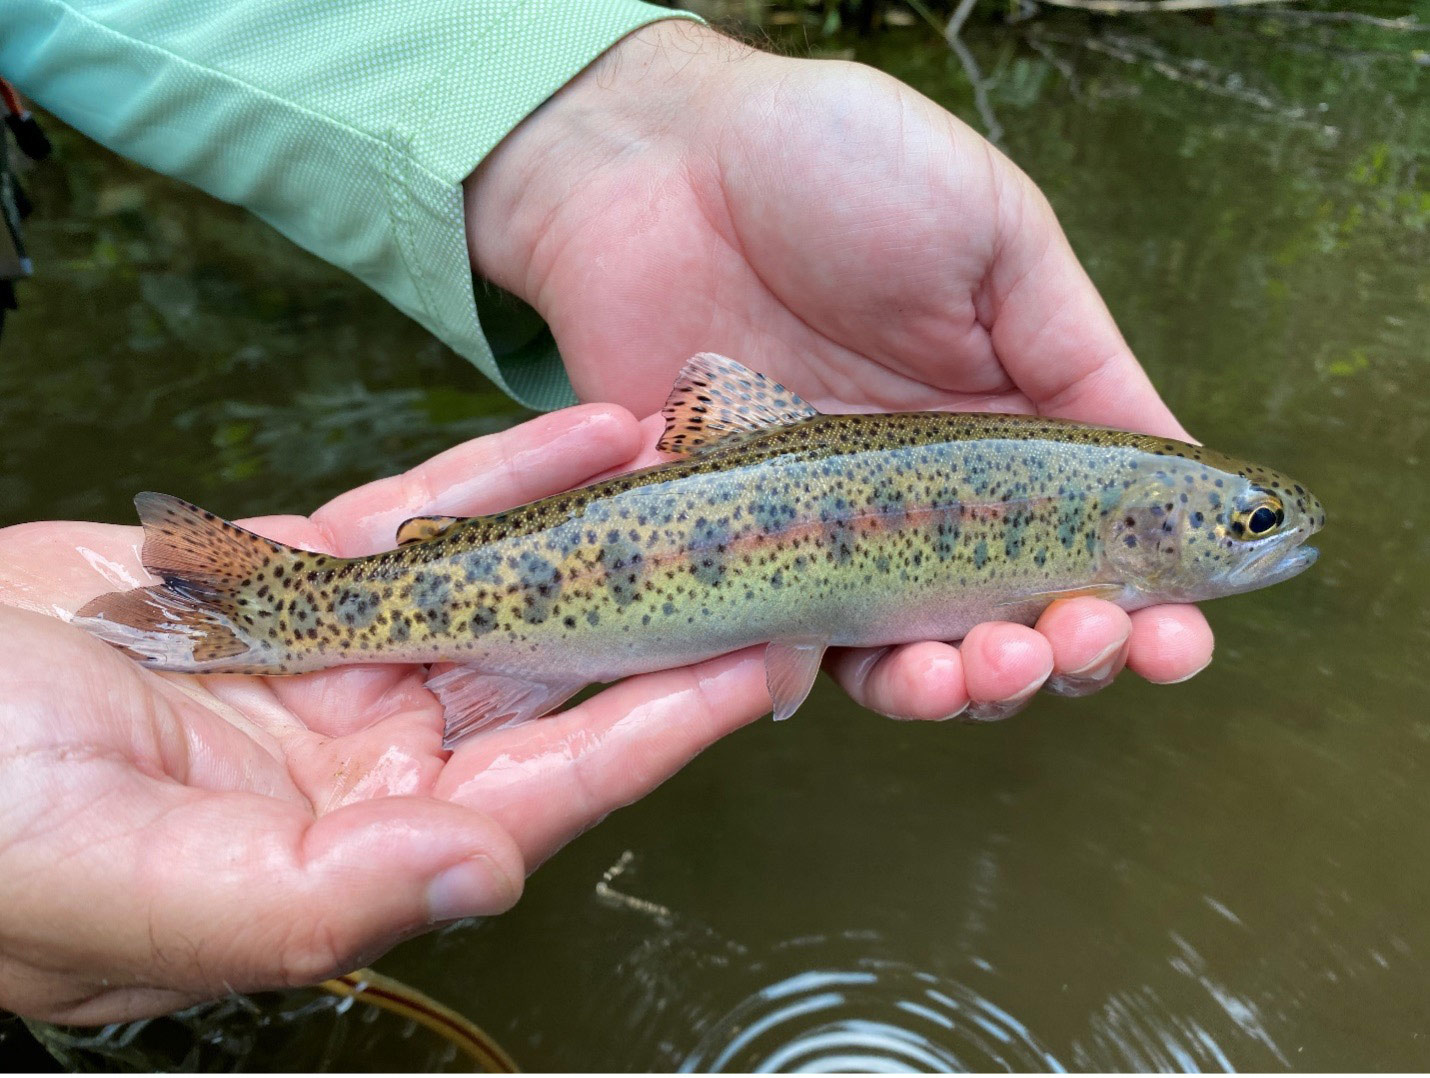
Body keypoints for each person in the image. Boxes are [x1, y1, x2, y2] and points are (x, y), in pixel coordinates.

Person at [0, 8, 1213, 1024]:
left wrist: (612, 139)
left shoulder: (1085, 497)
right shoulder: (1084, 500)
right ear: (1154, 529)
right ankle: (266, 611)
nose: (1262, 537)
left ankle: (273, 609)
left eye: (1249, 519)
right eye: (1252, 522)